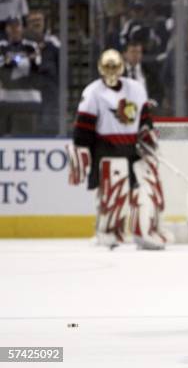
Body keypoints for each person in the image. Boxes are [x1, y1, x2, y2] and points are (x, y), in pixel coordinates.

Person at [67, 49, 169, 250]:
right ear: (100, 68)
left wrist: (146, 132)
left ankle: (145, 229)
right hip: (106, 149)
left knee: (147, 188)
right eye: (108, 67)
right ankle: (107, 232)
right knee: (113, 193)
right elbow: (83, 128)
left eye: (115, 67)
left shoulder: (136, 89)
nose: (112, 71)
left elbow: (145, 118)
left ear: (122, 67)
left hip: (133, 149)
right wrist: (82, 150)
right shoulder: (93, 92)